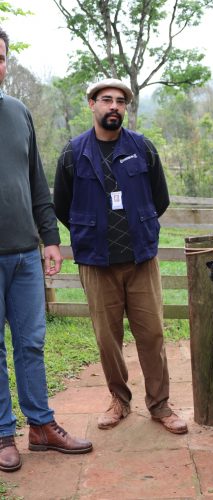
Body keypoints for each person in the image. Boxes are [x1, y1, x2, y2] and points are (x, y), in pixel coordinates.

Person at [53, 78, 187, 435]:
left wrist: (138, 225)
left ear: (125, 108)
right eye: (106, 100)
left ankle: (160, 404)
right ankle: (119, 399)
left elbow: (159, 199)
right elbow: (62, 206)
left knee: (152, 334)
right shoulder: (73, 152)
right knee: (107, 338)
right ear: (92, 105)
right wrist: (91, 228)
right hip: (97, 263)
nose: (114, 106)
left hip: (140, 260)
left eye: (120, 101)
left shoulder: (142, 148)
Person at [0, 28, 93, 473]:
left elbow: (37, 180)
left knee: (32, 343)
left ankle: (40, 426)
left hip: (24, 254)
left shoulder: (18, 112)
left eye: (0, 57)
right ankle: (3, 434)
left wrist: (50, 238)